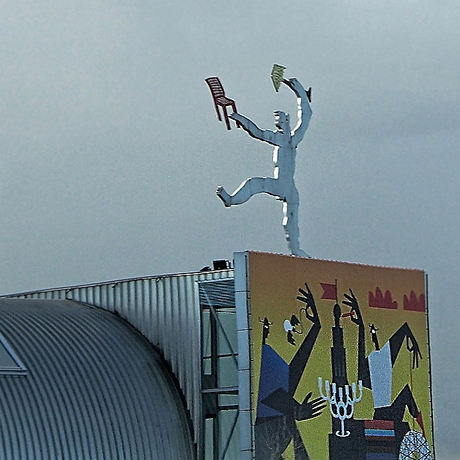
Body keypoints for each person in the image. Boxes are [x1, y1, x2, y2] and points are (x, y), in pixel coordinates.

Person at [216, 77, 312, 257]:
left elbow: (306, 115)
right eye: (276, 121)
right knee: (254, 183)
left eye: (281, 120)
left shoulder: (293, 139)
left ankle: (297, 252)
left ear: (287, 121)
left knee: (289, 222)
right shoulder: (276, 138)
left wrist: (299, 91)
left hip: (288, 187)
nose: (278, 124)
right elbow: (256, 132)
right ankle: (231, 200)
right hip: (278, 183)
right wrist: (239, 118)